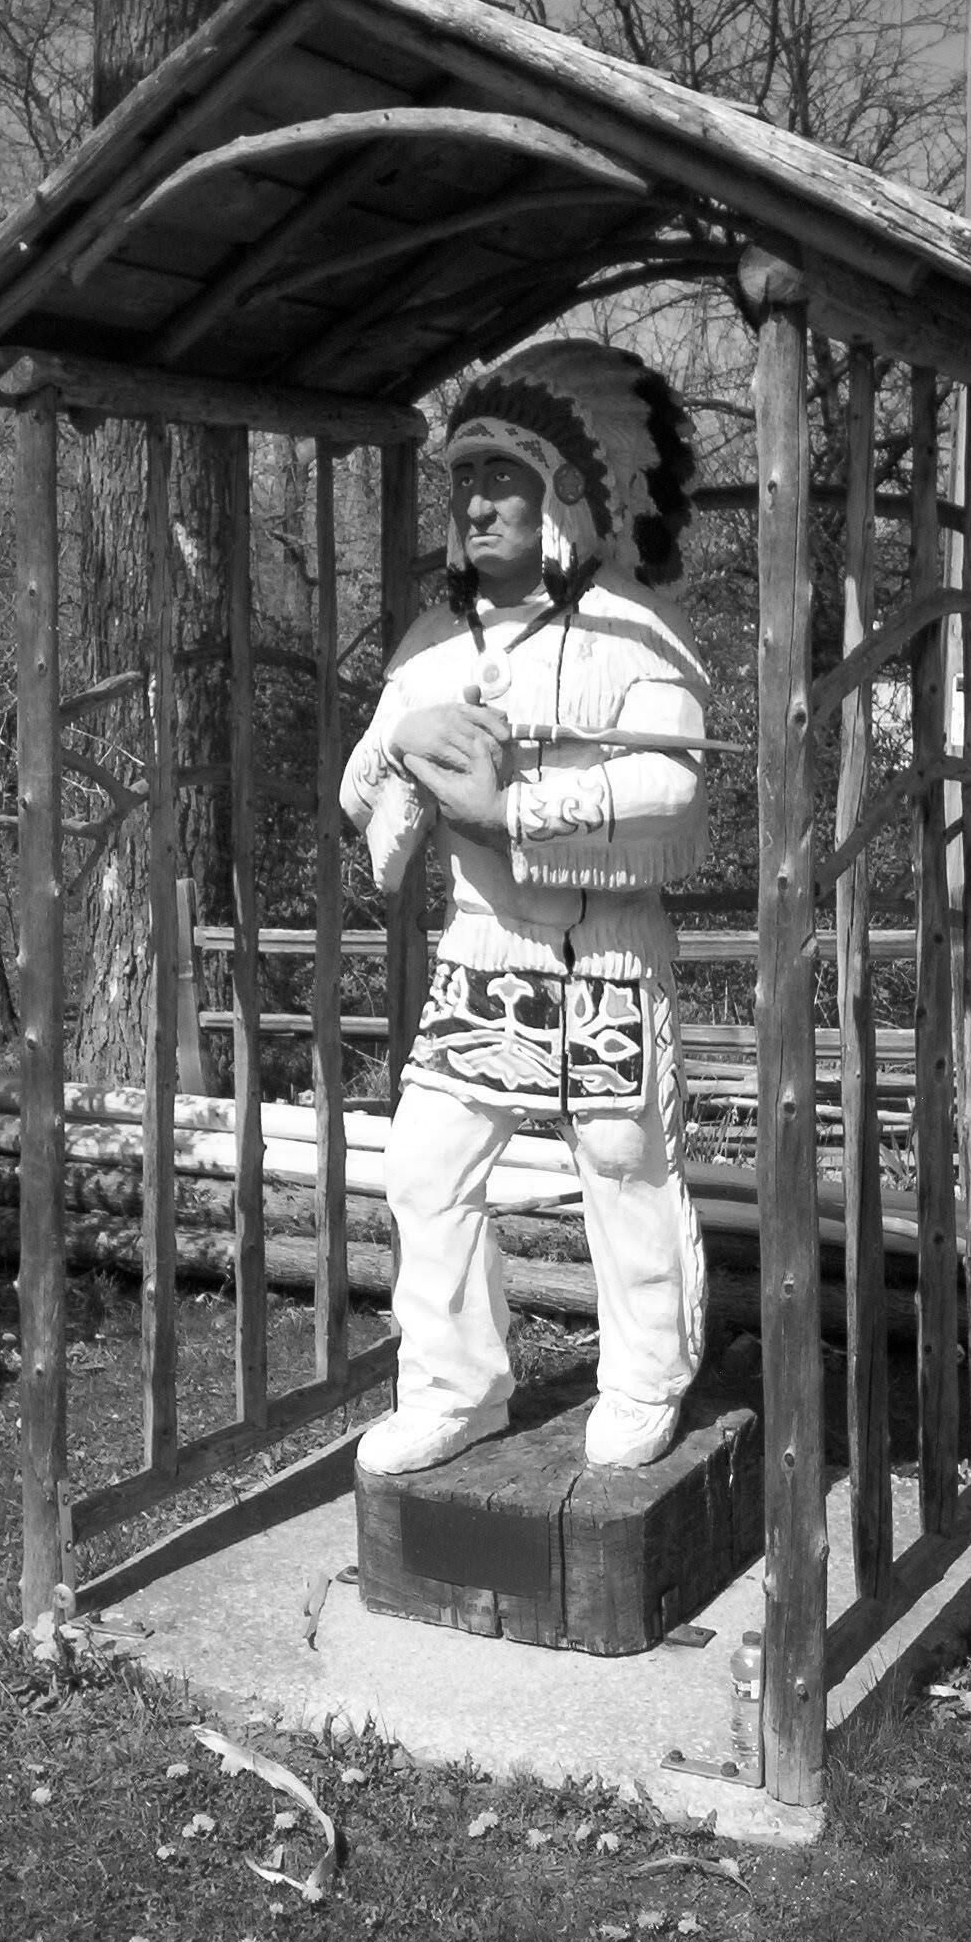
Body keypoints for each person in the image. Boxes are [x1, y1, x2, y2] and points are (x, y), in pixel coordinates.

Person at [341, 338, 710, 1476]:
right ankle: (453, 1386)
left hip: (606, 954)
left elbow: (674, 792)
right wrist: (405, 742)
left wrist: (515, 810)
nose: (475, 503)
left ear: (565, 495)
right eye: (462, 479)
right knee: (424, 1166)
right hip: (483, 953)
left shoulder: (634, 633)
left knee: (623, 1162)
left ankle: (646, 1376)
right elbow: (359, 794)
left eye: (502, 476)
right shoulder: (428, 644)